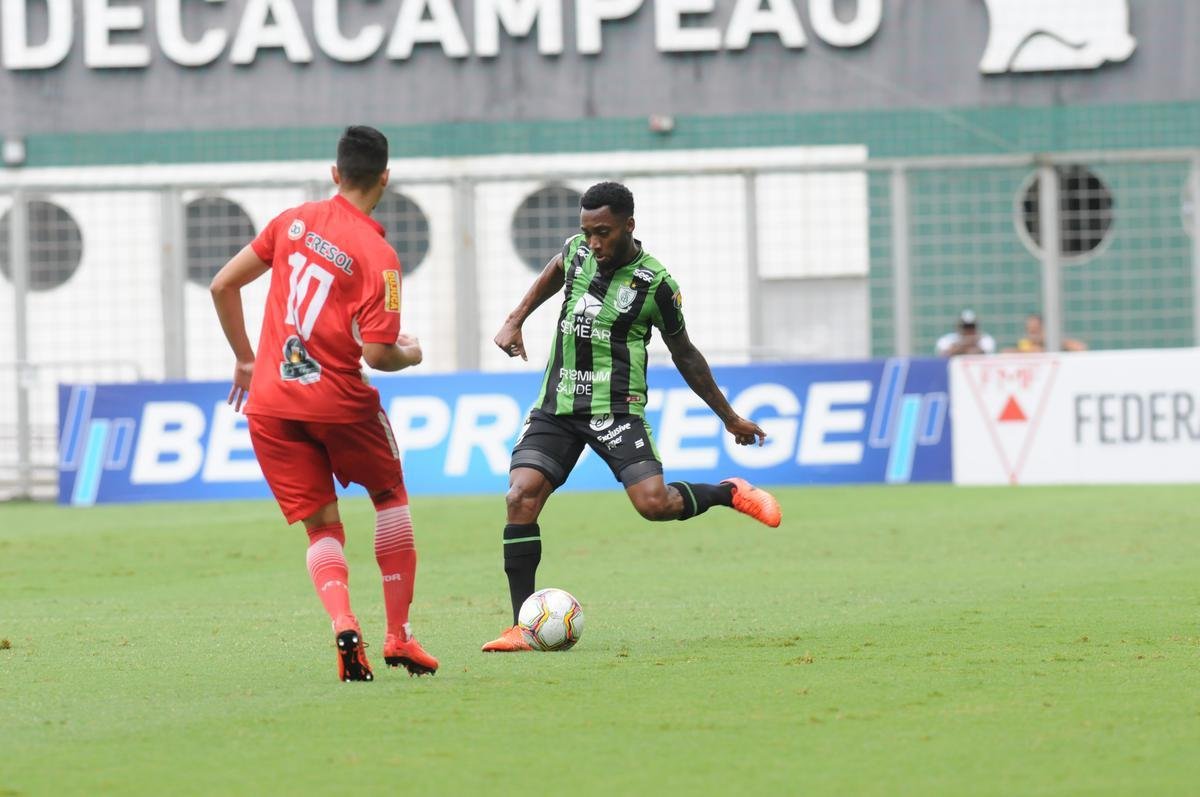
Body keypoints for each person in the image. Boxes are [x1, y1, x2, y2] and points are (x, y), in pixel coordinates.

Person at [481, 181, 784, 653]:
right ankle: (521, 626)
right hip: (558, 406)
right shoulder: (578, 251)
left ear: (629, 226)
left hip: (616, 410)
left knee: (654, 505)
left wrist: (729, 417)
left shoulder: (656, 285)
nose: (594, 243)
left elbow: (685, 353)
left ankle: (728, 492)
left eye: (603, 232)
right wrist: (515, 317)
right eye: (587, 232)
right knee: (520, 497)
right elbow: (556, 269)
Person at [209, 126, 438, 682]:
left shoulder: (291, 222)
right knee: (390, 496)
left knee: (322, 530)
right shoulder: (380, 256)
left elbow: (221, 285)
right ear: (385, 177)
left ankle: (343, 623)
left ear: (335, 174)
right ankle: (398, 637)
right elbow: (378, 354)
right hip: (339, 403)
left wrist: (245, 359)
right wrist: (410, 353)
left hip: (271, 403)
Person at [1008, 312, 1088, 353]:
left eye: (1036, 330)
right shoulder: (1024, 344)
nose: (1033, 335)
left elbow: (1080, 348)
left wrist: (1054, 342)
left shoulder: (1058, 344)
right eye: (1030, 331)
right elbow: (1006, 353)